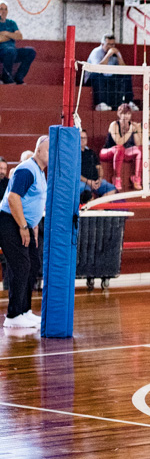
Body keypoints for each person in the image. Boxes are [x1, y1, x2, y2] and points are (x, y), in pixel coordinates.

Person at [0, 136, 48, 328]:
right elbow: (13, 198)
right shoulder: (27, 170)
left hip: (24, 224)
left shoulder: (39, 172)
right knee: (21, 266)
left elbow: (33, 201)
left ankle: (24, 310)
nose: (51, 154)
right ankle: (13, 316)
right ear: (38, 151)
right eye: (48, 150)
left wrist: (33, 226)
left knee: (32, 264)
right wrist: (22, 226)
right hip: (9, 222)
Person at [85, 34, 138, 111]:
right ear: (102, 44)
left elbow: (124, 68)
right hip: (93, 78)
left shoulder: (115, 51)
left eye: (113, 44)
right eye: (108, 44)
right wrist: (108, 55)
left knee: (126, 75)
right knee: (97, 75)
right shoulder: (96, 52)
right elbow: (97, 69)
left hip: (109, 77)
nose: (111, 46)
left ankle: (129, 102)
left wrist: (118, 56)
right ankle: (100, 103)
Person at [99, 104, 142, 190]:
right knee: (119, 148)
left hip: (122, 153)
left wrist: (136, 131)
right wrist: (130, 130)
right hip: (107, 151)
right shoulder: (114, 125)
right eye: (123, 113)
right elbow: (119, 142)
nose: (126, 116)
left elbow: (138, 144)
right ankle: (117, 178)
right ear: (119, 114)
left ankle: (136, 178)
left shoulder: (132, 126)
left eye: (128, 114)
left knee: (140, 149)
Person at [0, 0, 36, 85]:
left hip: (13, 52)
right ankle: (6, 78)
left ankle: (19, 77)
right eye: (1, 9)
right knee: (10, 51)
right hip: (2, 52)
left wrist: (5, 33)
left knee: (31, 51)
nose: (3, 11)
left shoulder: (12, 23)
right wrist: (12, 35)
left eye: (5, 9)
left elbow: (19, 36)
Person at [79, 130, 117, 198]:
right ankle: (91, 202)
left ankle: (100, 204)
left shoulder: (91, 153)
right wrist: (88, 181)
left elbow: (99, 168)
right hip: (83, 182)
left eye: (85, 138)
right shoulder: (74, 154)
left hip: (96, 181)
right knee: (86, 193)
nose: (83, 140)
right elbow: (75, 174)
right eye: (81, 138)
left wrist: (99, 179)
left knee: (112, 189)